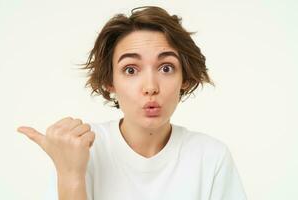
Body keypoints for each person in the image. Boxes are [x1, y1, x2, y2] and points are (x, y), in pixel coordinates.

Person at [17, 6, 247, 200]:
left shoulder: (210, 156)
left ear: (185, 78)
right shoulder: (80, 150)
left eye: (166, 68)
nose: (150, 87)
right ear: (110, 82)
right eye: (130, 70)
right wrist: (71, 175)